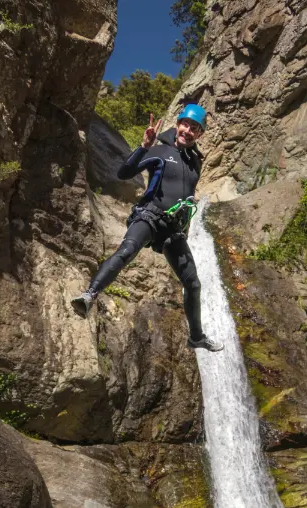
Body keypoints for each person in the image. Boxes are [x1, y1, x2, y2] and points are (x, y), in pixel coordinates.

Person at [72, 104, 224, 352]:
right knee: (127, 250)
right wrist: (143, 147)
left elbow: (185, 194)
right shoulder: (160, 151)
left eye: (194, 128)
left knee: (193, 284)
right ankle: (89, 295)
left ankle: (196, 337)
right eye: (185, 124)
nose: (187, 130)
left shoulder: (196, 163)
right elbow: (124, 173)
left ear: (200, 134)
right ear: (178, 124)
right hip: (150, 216)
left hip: (174, 229)